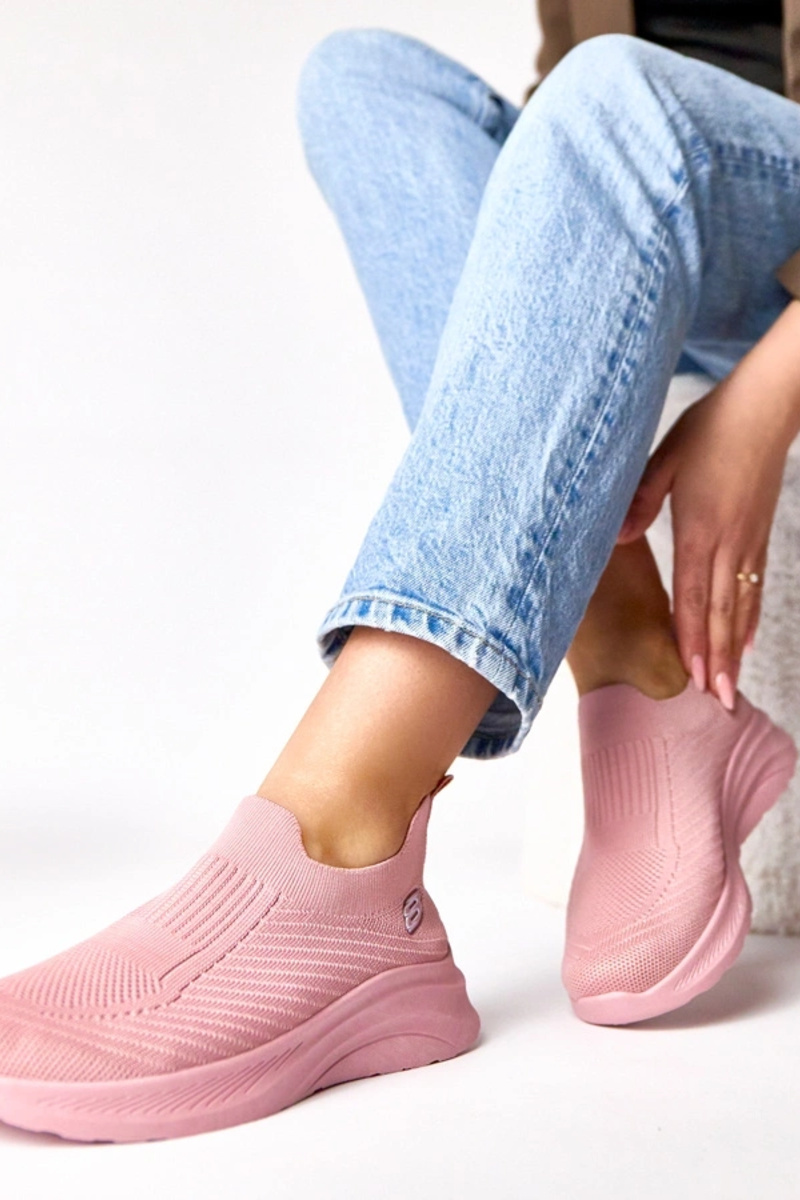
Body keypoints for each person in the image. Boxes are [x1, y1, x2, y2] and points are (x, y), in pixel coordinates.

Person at [1, 0, 800, 1142]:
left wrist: (768, 395)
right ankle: (636, 667)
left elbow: (616, 106)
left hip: (748, 208)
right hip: (665, 198)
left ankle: (337, 835)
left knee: (610, 96)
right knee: (363, 82)